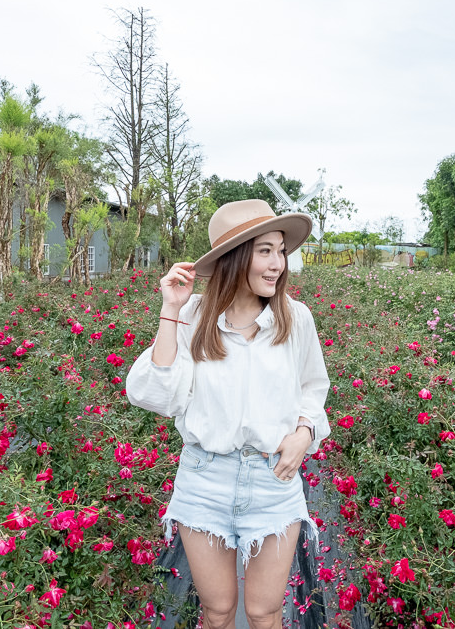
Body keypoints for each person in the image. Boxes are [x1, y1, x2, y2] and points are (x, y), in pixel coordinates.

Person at [126, 199, 331, 629]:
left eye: (280, 250)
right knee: (217, 611)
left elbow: (314, 386)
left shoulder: (296, 319)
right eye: (265, 251)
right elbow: (156, 394)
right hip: (204, 480)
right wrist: (171, 310)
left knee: (264, 611)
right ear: (235, 257)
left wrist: (305, 432)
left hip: (273, 478)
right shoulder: (194, 316)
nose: (278, 263)